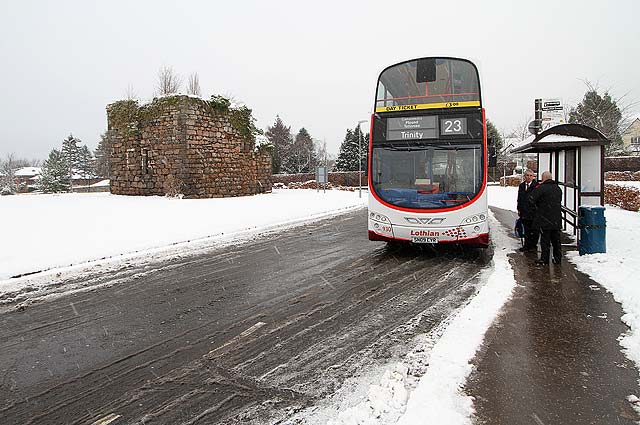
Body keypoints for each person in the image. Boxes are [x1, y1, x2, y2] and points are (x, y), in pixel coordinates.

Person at [530, 171, 563, 265]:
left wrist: (538, 208)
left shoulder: (541, 188)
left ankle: (544, 259)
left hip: (544, 219)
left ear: (543, 178)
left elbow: (531, 200)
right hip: (556, 219)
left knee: (545, 240)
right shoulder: (557, 188)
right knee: (556, 241)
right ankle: (557, 258)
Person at [516, 169, 539, 252]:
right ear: (524, 176)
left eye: (530, 175)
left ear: (533, 177)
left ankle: (533, 245)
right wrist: (519, 208)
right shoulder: (522, 186)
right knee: (526, 230)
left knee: (535, 230)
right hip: (524, 211)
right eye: (527, 175)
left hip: (533, 212)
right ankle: (527, 245)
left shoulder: (536, 186)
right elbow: (519, 198)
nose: (529, 177)